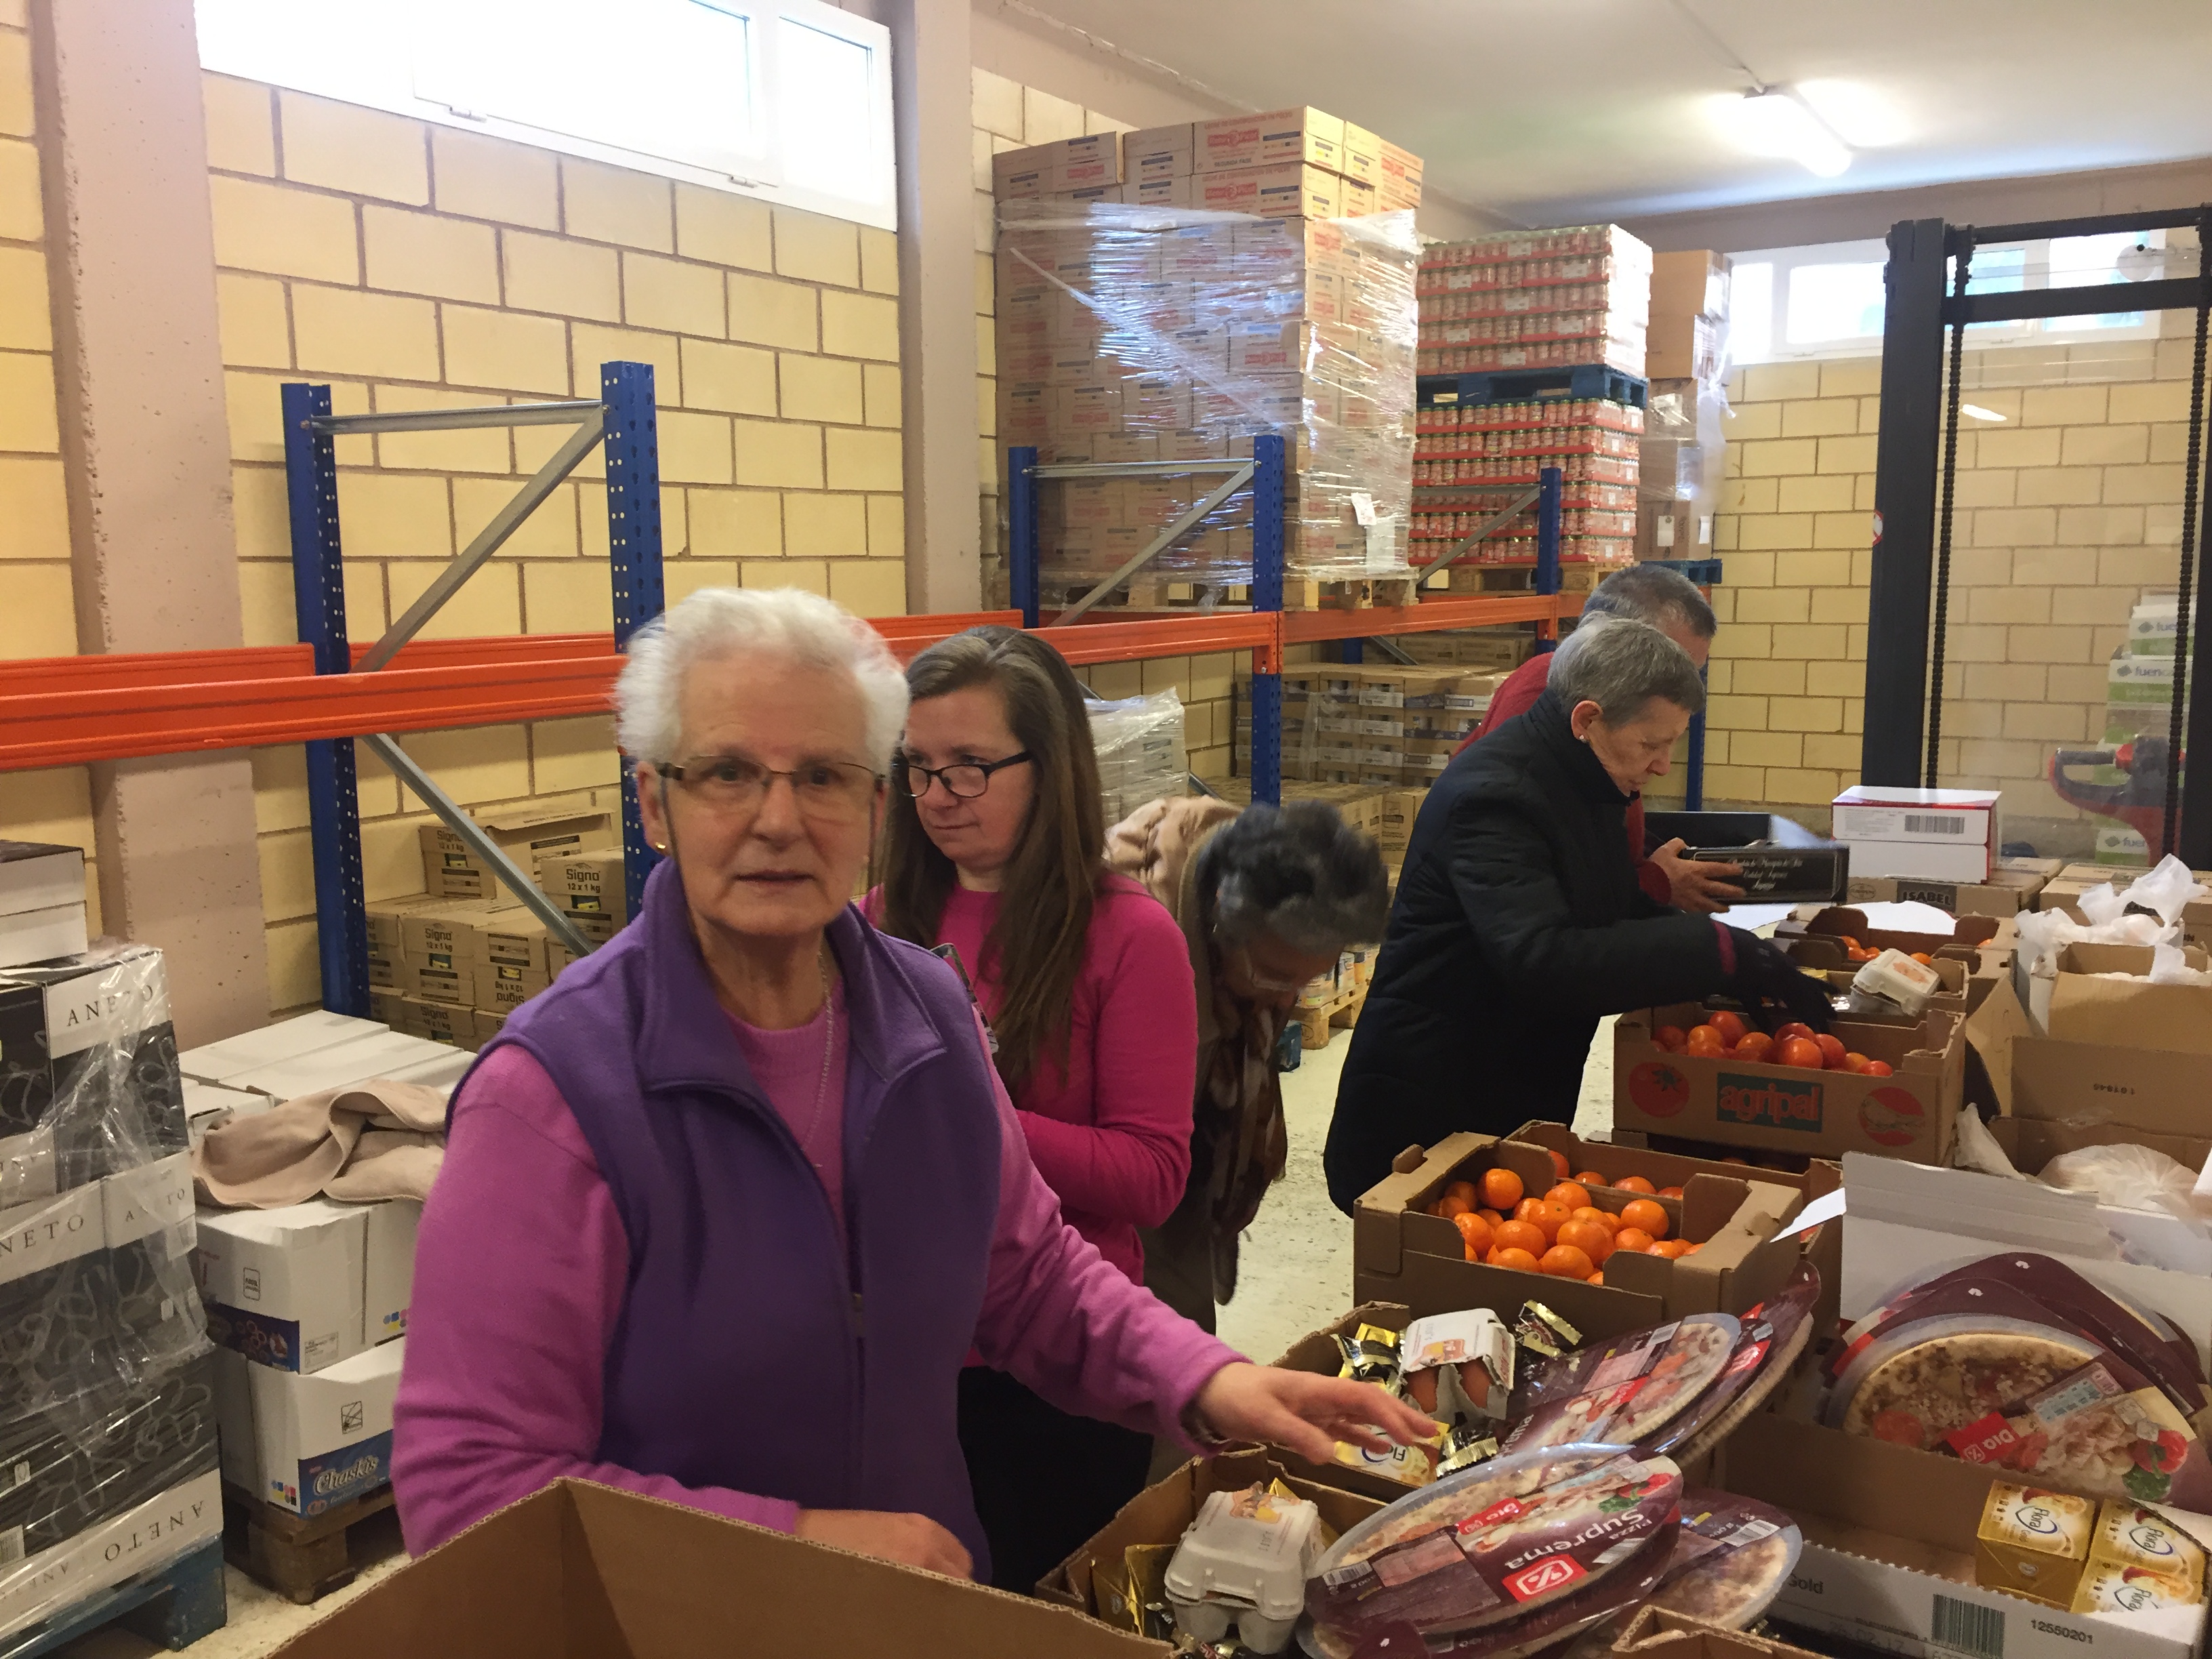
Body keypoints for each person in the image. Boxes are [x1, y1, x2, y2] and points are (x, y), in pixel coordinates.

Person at [390, 587, 1433, 1582]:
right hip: (682, 1622)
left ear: (873, 803)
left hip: (921, 1603)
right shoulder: (554, 1099)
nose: (779, 819)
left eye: (825, 776)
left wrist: (1202, 1375)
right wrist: (795, 1543)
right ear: (655, 801)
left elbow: (1028, 1277)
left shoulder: (927, 1019)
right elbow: (471, 1487)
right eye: (728, 774)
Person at [870, 624, 1199, 1593]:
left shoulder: (1129, 938)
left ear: (1047, 765)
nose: (936, 798)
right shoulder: (879, 919)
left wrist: (975, 1108)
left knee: (1034, 1603)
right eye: (919, 768)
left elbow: (1150, 1178)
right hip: (905, 1353)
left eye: (969, 768)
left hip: (1051, 1368)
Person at [1323, 618, 1830, 1213]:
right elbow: (1544, 956)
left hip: (1511, 1083)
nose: (1664, 765)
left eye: (1673, 744)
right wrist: (1719, 952)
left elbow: (1599, 901)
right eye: (1651, 744)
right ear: (1587, 720)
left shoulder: (1584, 782)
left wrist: (1718, 947)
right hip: (1431, 1105)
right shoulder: (1497, 797)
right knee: (1438, 1271)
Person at [1106, 794, 1390, 1335]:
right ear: (1217, 923)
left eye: (1306, 980)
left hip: (1185, 1160)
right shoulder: (1132, 944)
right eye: (1277, 977)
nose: (1286, 1002)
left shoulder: (1259, 867)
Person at [1456, 565, 1744, 915]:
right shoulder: (1543, 696)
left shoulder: (1604, 718)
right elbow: (1547, 889)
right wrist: (1656, 884)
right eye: (1672, 664)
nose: (1682, 687)